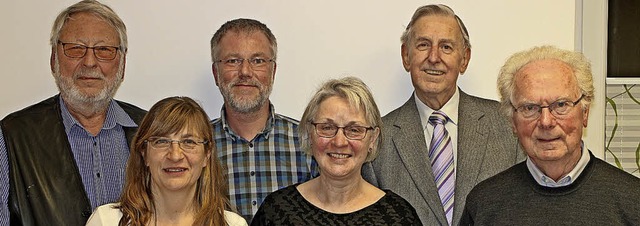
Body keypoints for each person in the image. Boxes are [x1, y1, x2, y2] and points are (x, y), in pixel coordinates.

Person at [361, 4, 525, 225]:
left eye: (446, 47)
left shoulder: (507, 124)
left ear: (464, 59)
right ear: (406, 55)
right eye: (423, 45)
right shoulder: (377, 140)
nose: (434, 57)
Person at [0, 1, 146, 225]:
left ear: (122, 64)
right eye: (75, 48)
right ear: (53, 59)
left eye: (104, 50)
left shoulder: (152, 130)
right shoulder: (12, 136)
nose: (89, 62)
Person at [460, 45, 640, 225]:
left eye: (561, 105)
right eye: (530, 108)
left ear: (584, 112)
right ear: (513, 122)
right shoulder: (484, 203)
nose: (546, 122)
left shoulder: (632, 200)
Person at [251, 76, 421, 225]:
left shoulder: (399, 217)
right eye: (327, 127)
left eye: (354, 130)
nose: (339, 142)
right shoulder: (275, 212)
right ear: (310, 134)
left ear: (373, 138)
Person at [209, 18, 318, 222]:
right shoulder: (195, 145)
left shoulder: (309, 141)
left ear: (273, 71)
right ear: (216, 73)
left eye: (257, 61)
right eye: (233, 60)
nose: (245, 72)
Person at [86, 96, 247, 226]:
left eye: (189, 142)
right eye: (161, 142)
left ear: (207, 155)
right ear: (144, 152)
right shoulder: (106, 221)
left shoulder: (233, 224)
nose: (175, 155)